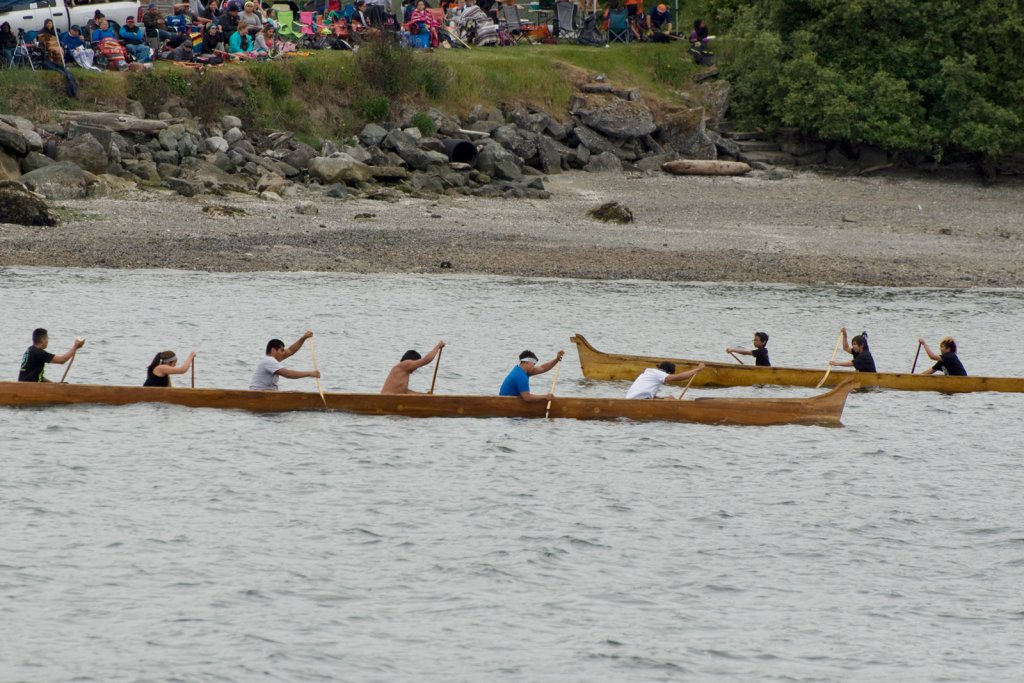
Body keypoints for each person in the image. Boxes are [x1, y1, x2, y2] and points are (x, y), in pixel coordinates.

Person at [249, 331, 320, 391]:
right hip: (259, 393)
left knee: (293, 392)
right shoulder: (268, 360)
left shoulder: (270, 359)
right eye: (282, 350)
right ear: (273, 350)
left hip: (268, 392)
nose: (284, 353)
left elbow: (291, 350)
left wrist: (303, 338)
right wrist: (310, 374)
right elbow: (287, 374)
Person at [18, 328, 85, 383]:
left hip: (24, 385)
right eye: (47, 338)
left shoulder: (29, 350)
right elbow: (62, 360)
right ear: (42, 340)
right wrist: (75, 347)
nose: (48, 341)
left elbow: (38, 377)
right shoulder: (39, 353)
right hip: (30, 388)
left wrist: (54, 384)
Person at [498, 349, 565, 403]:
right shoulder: (520, 375)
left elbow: (543, 368)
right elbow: (527, 398)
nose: (534, 366)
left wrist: (556, 359)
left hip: (507, 401)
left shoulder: (520, 370)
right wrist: (545, 396)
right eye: (533, 364)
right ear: (527, 363)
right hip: (506, 403)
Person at [380, 340, 446, 394]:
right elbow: (426, 360)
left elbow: (406, 392)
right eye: (416, 366)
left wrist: (425, 395)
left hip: (390, 401)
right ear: (412, 361)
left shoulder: (403, 371)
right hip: (385, 401)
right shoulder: (405, 364)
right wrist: (438, 346)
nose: (415, 369)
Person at [626, 361, 705, 399]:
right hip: (637, 400)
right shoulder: (658, 374)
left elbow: (648, 394)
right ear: (667, 372)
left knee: (669, 398)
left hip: (634, 399)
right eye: (668, 374)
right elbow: (678, 377)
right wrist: (697, 369)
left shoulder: (650, 373)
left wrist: (663, 398)